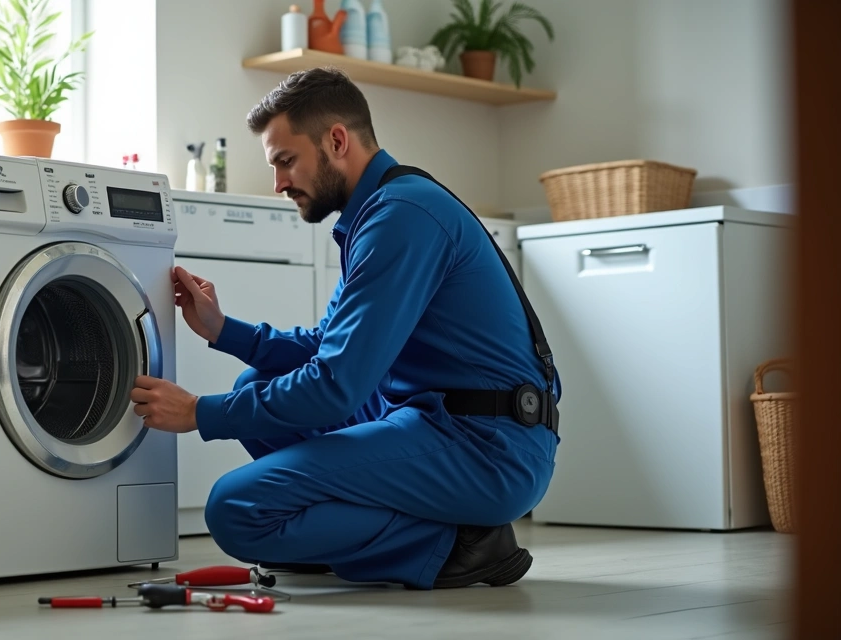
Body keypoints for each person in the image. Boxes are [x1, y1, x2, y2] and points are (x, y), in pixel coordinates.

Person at [130, 66, 561, 590]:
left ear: (336, 140)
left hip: (486, 448)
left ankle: (460, 545)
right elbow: (327, 346)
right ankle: (370, 537)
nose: (278, 183)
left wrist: (199, 412)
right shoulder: (377, 212)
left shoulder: (402, 216)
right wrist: (223, 330)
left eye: (286, 161)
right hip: (434, 420)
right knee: (254, 389)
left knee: (235, 507)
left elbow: (334, 386)